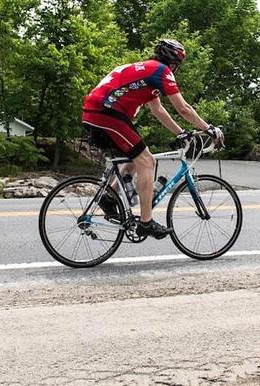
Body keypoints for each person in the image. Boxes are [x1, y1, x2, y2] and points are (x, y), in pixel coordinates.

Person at [82, 39, 224, 239]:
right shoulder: (161, 71)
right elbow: (183, 108)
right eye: (177, 64)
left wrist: (180, 132)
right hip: (106, 113)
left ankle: (108, 197)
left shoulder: (147, 72)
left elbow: (158, 110)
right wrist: (209, 128)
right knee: (147, 161)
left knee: (136, 157)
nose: (176, 68)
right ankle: (146, 223)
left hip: (100, 112)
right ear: (173, 62)